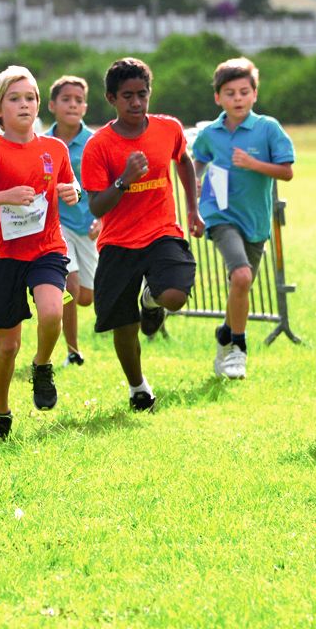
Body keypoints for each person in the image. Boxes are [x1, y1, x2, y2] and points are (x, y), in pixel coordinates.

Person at [0, 65, 79, 441]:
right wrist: (3, 197)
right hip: (6, 256)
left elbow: (67, 185)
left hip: (47, 249)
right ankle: (1, 410)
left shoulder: (54, 148)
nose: (25, 105)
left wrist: (73, 192)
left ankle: (42, 366)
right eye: (15, 99)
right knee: (7, 345)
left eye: (31, 98)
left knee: (52, 311)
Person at [80, 57, 203, 412]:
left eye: (142, 94)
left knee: (176, 296)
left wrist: (192, 208)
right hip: (118, 243)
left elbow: (183, 159)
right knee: (123, 325)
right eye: (127, 96)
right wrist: (124, 180)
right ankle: (138, 388)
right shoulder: (99, 146)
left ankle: (152, 299)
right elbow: (97, 207)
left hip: (162, 232)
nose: (136, 102)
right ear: (111, 99)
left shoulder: (168, 129)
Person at [191, 58, 295, 379]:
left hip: (256, 221)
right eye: (230, 93)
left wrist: (253, 164)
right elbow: (199, 160)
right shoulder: (210, 132)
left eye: (244, 92)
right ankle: (238, 347)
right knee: (241, 277)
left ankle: (225, 333)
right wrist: (196, 182)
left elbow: (287, 172)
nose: (237, 98)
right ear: (217, 98)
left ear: (254, 94)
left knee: (241, 286)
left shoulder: (268, 129)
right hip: (220, 215)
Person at [45, 75, 101, 368]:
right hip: (57, 224)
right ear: (52, 105)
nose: (73, 104)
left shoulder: (94, 142)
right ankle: (73, 351)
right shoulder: (42, 143)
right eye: (66, 99)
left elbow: (107, 184)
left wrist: (102, 219)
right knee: (71, 286)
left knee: (86, 298)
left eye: (79, 100)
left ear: (86, 107)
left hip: (89, 225)